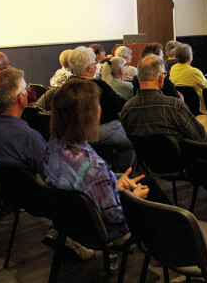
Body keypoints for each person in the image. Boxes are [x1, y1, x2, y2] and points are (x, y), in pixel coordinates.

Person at [43, 78, 150, 260]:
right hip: (101, 231)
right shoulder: (93, 167)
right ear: (90, 114)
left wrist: (114, 183)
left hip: (69, 221)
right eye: (97, 104)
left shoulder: (54, 144)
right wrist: (133, 199)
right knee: (153, 195)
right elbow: (116, 219)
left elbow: (87, 186)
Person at [121, 54, 207, 142]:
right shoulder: (174, 106)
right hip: (178, 155)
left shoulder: (127, 108)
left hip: (142, 155)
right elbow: (201, 137)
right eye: (164, 74)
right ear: (161, 77)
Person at [0, 68, 46, 174]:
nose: (28, 92)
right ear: (21, 98)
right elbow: (52, 174)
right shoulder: (29, 137)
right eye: (26, 89)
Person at [169, 43, 207, 114]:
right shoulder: (194, 72)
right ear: (190, 57)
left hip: (179, 107)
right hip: (198, 109)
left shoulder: (173, 68)